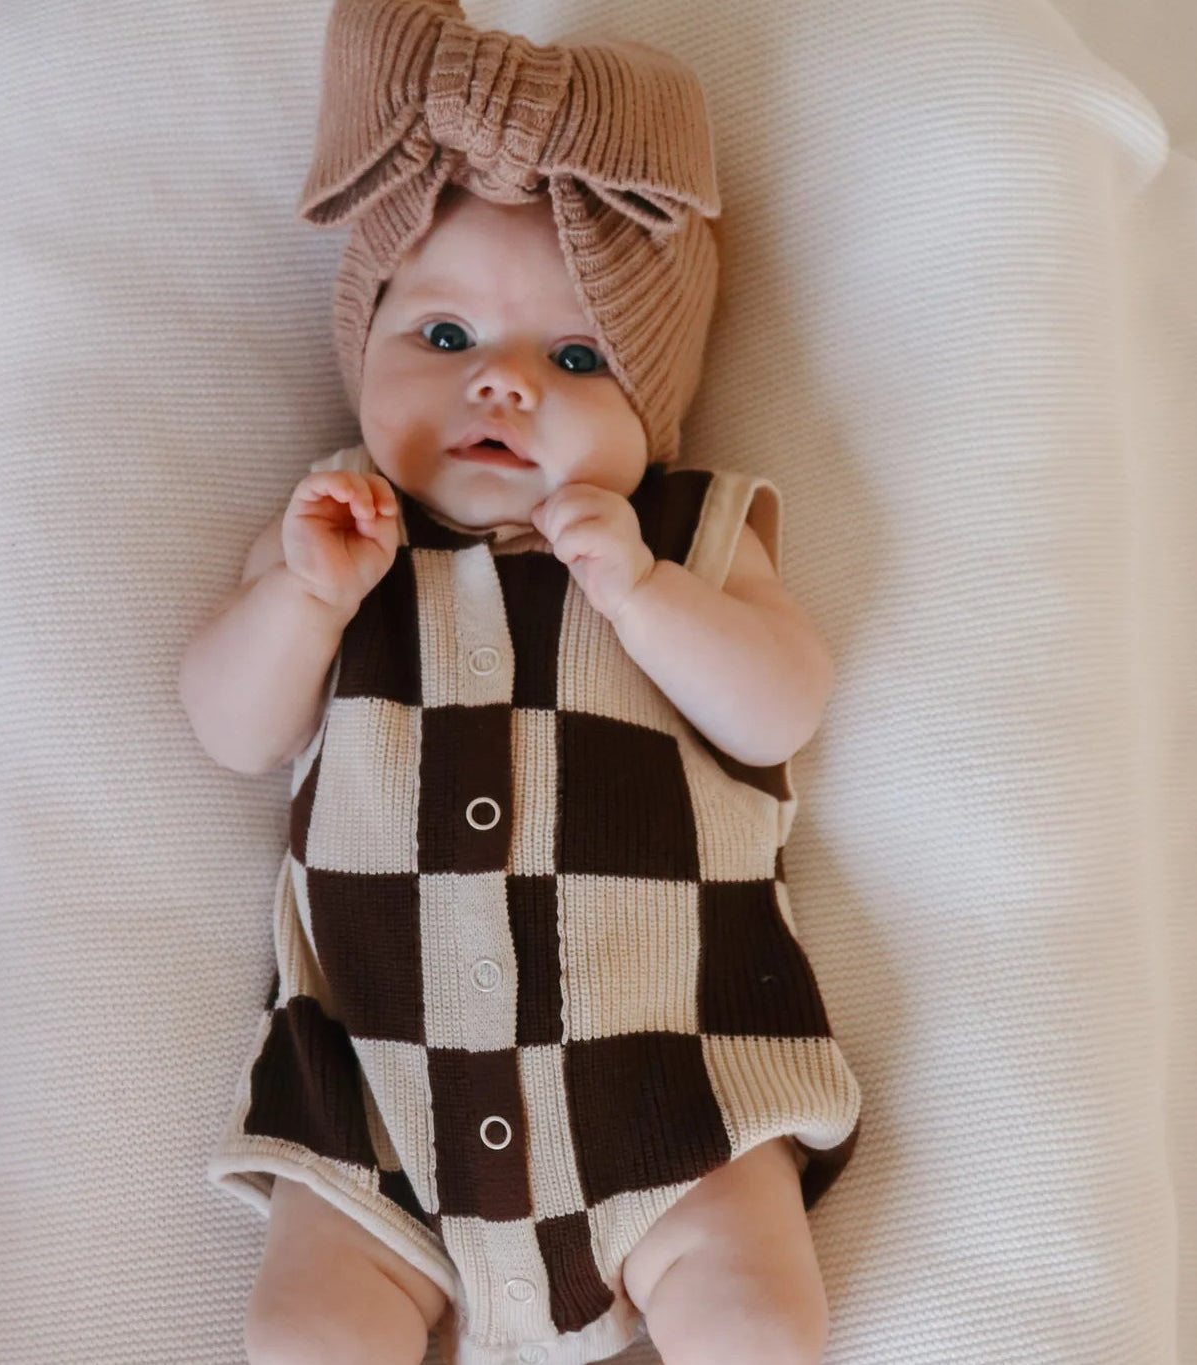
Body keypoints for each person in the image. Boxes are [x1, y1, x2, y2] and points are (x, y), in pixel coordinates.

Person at [180, 2, 862, 1362]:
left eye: (572, 357)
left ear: (650, 409)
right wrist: (302, 599)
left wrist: (644, 594)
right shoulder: (332, 537)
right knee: (304, 1331)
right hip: (385, 1108)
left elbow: (779, 706)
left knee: (759, 1321)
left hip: (671, 1094)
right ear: (361, 346)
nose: (498, 387)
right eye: (441, 339)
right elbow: (231, 727)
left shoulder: (692, 534)